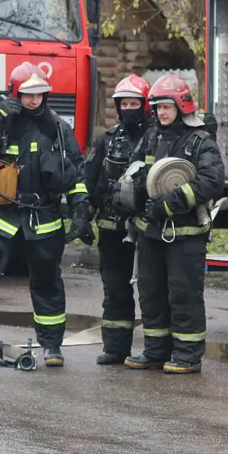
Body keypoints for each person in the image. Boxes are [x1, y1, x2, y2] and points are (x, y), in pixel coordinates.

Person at [0, 62, 92, 366]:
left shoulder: (57, 129)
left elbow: (76, 173)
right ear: (15, 93)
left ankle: (52, 347)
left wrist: (81, 208)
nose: (33, 100)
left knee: (47, 281)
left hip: (42, 219)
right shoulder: (0, 122)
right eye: (27, 94)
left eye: (39, 94)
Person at [122, 74, 225, 374]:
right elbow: (135, 166)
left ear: (182, 106)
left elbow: (212, 181)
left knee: (183, 294)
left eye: (167, 107)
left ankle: (187, 354)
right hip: (151, 231)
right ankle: (155, 351)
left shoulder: (200, 141)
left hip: (186, 233)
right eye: (157, 108)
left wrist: (173, 201)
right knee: (151, 291)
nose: (162, 113)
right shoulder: (152, 136)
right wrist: (131, 190)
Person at [83, 74, 152, 365]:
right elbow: (89, 182)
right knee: (115, 289)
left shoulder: (157, 139)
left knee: (152, 292)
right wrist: (83, 217)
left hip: (148, 230)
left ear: (145, 105)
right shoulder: (107, 141)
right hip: (112, 230)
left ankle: (156, 350)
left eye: (134, 103)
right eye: (124, 104)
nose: (128, 109)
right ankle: (115, 348)